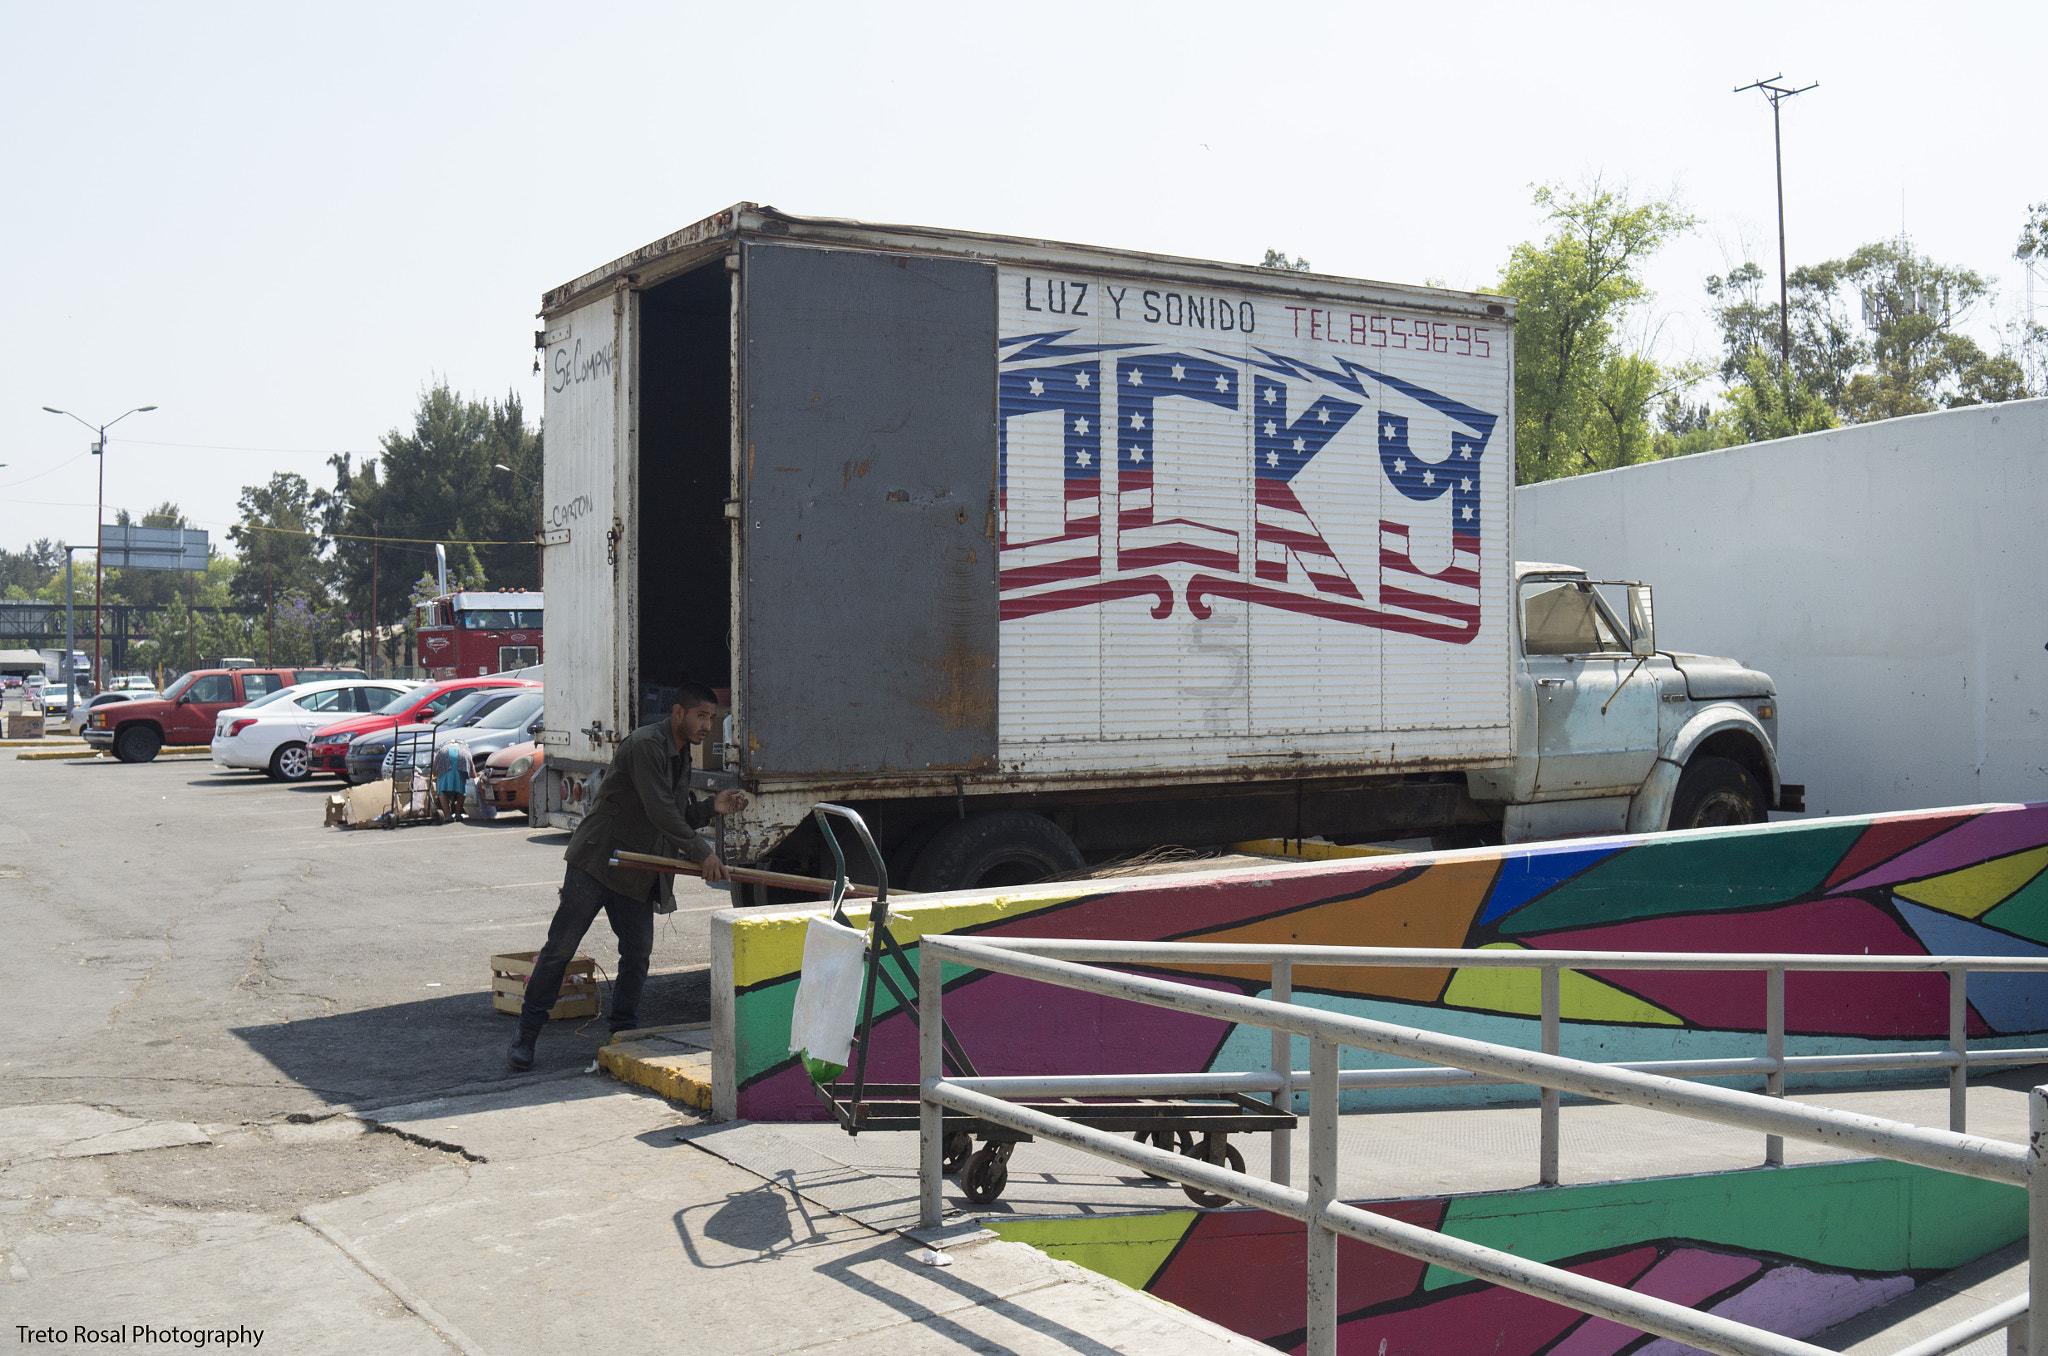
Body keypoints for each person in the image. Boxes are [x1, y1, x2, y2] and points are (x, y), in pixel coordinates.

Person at [508, 680, 746, 1071]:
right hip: (598, 861)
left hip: (636, 867)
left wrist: (710, 808)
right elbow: (660, 811)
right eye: (701, 716)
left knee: (637, 955)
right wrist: (703, 852)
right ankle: (526, 1036)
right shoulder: (645, 745)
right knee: (559, 950)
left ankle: (621, 1036)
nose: (707, 725)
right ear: (678, 713)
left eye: (712, 717)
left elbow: (674, 814)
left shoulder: (682, 753)